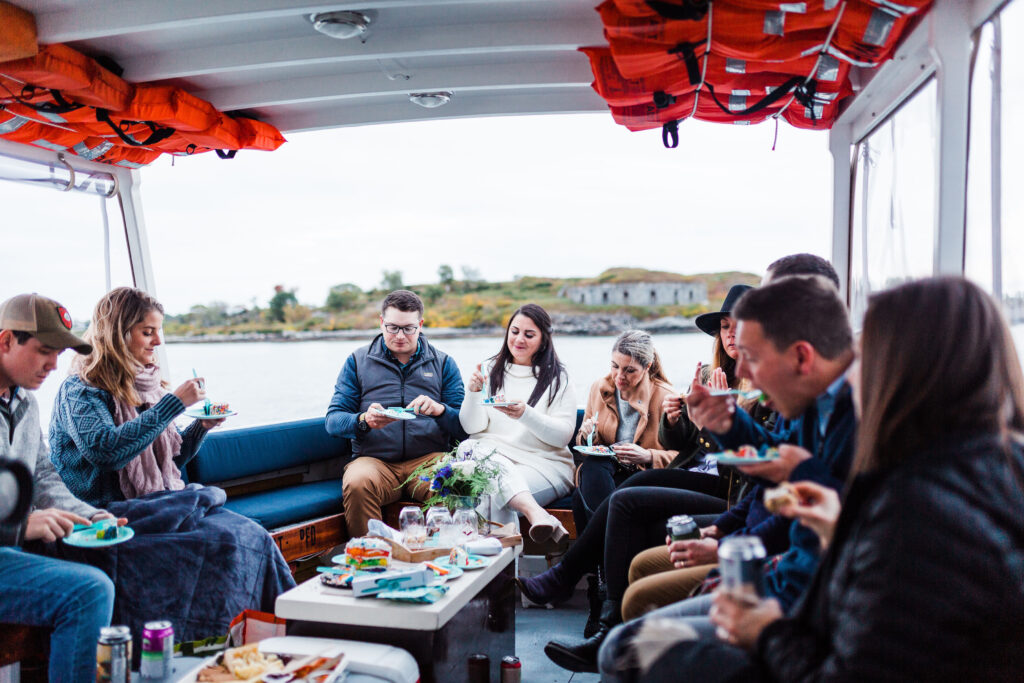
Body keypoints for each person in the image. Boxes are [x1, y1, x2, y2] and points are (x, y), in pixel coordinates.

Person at [649, 277, 1024, 681]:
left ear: (901, 372)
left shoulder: (913, 504)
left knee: (637, 649)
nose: (851, 371)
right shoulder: (998, 462)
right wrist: (835, 529)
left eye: (864, 356)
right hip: (793, 588)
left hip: (792, 615)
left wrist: (767, 631)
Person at [595, 274, 857, 680]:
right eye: (726, 328)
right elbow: (763, 483)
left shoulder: (836, 419)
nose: (747, 370)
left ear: (801, 353)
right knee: (624, 496)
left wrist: (726, 548)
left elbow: (765, 489)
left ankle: (603, 621)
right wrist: (696, 422)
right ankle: (605, 617)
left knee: (624, 645)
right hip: (761, 554)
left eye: (754, 356)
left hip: (778, 592)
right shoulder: (808, 407)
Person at [0, 293, 119, 682]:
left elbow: (44, 474)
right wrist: (21, 525)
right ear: (6, 341)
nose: (54, 365)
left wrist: (89, 516)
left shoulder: (25, 402)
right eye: (44, 351)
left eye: (59, 353)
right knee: (89, 592)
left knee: (117, 556)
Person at [49, 287, 223, 506]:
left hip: (152, 502)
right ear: (118, 335)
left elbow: (168, 462)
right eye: (148, 332)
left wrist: (201, 427)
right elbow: (106, 453)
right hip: (101, 513)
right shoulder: (80, 390)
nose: (158, 341)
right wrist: (174, 404)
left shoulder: (149, 387)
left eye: (159, 332)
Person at [326, 289, 466, 536]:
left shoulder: (444, 363)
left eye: (408, 328)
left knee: (454, 480)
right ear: (381, 322)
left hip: (428, 460)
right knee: (357, 482)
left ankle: (443, 553)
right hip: (375, 462)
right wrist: (364, 420)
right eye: (392, 328)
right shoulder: (357, 361)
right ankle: (371, 553)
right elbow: (333, 421)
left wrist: (440, 410)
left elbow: (464, 426)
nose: (400, 336)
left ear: (420, 325)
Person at [459, 304, 576, 541]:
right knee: (468, 448)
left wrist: (525, 414)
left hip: (543, 464)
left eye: (529, 335)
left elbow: (562, 436)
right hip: (493, 457)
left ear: (543, 340)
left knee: (491, 490)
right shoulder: (490, 369)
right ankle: (536, 515)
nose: (519, 339)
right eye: (514, 331)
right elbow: (472, 427)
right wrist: (473, 392)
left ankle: (497, 565)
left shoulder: (558, 378)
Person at [573, 329, 679, 532]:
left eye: (629, 370)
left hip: (645, 475)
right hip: (607, 472)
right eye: (614, 366)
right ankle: (611, 540)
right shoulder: (599, 389)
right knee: (593, 465)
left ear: (647, 366)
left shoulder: (667, 398)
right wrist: (586, 435)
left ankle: (603, 545)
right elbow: (587, 446)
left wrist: (648, 456)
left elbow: (685, 459)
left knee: (580, 498)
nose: (619, 376)